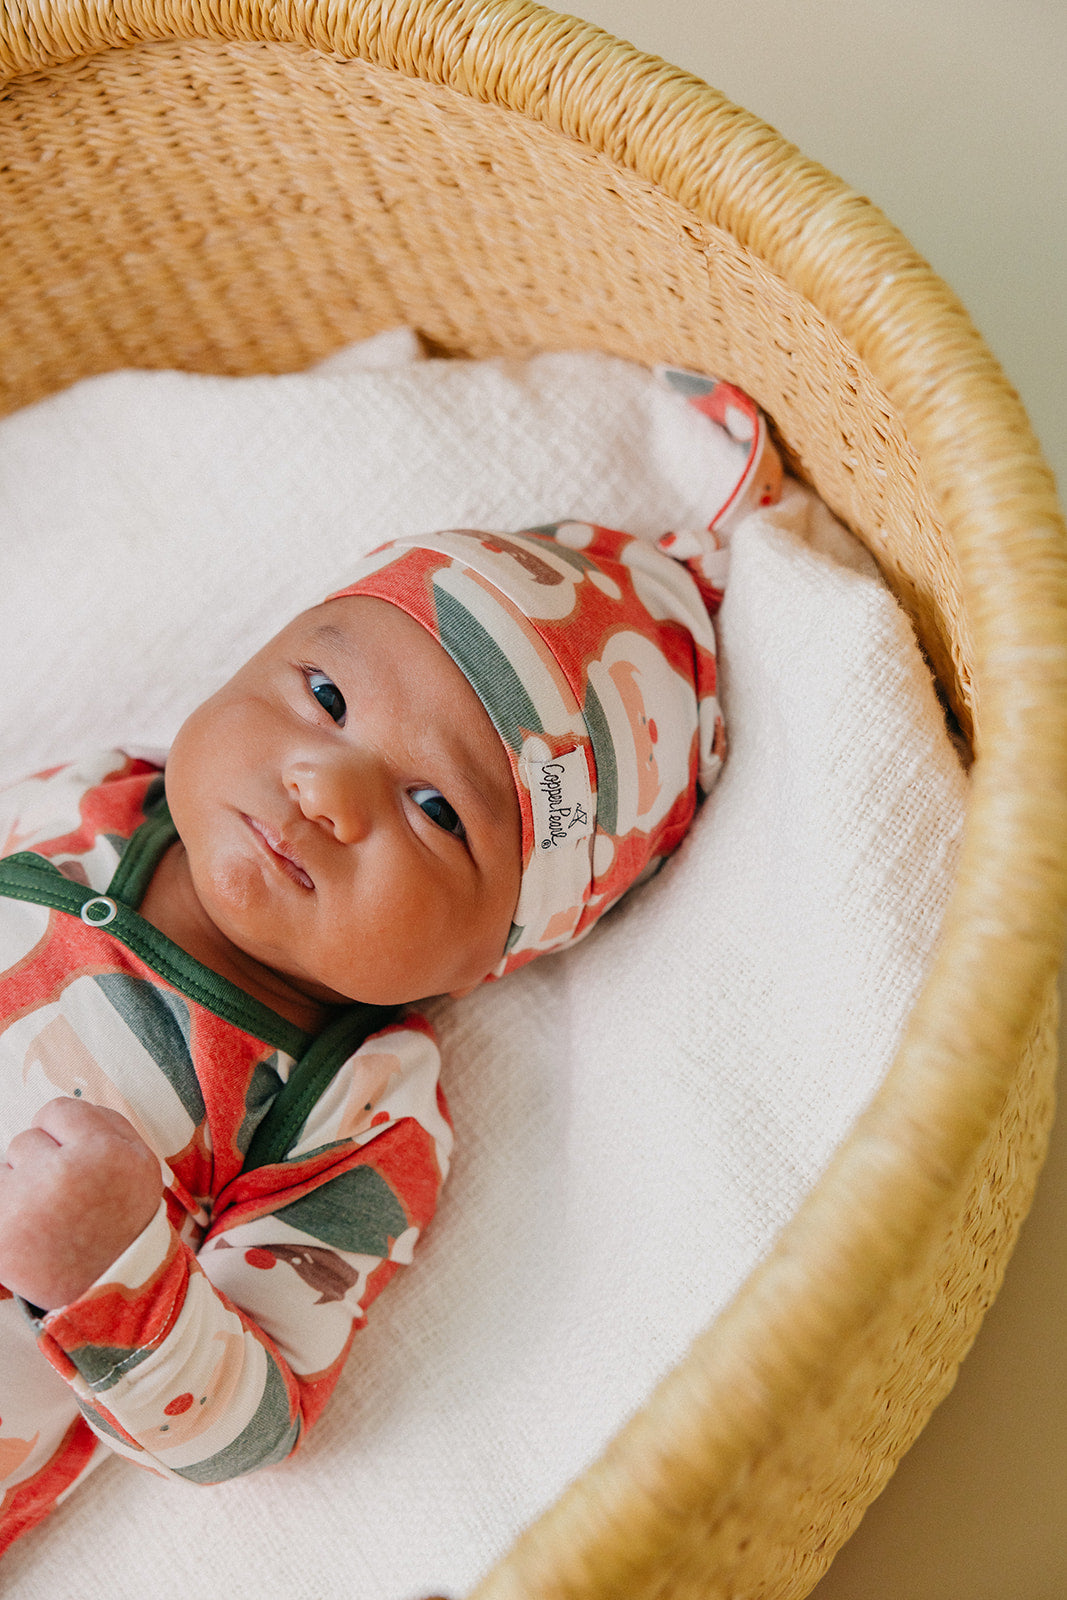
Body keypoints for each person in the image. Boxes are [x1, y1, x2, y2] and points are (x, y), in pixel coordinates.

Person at [0, 375, 781, 1556]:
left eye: (435, 811)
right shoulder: (85, 804)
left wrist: (109, 1262)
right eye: (322, 693)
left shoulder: (357, 1106)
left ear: (495, 953)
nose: (327, 785)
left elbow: (248, 1420)